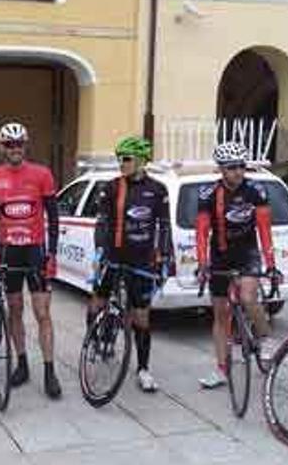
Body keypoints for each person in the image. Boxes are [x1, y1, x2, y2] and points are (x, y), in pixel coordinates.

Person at [0, 121, 62, 399]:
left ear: (25, 145)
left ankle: (50, 372)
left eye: (19, 144)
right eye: (9, 144)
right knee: (14, 310)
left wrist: (52, 253)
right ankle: (23, 364)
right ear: (2, 147)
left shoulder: (42, 174)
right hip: (9, 252)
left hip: (35, 252)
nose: (15, 149)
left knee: (42, 314)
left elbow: (54, 216)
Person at [195, 141, 281, 389]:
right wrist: (202, 264)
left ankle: (265, 337)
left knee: (247, 296)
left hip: (247, 252)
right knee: (221, 315)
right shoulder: (208, 195)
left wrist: (271, 263)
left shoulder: (256, 190)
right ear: (221, 169)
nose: (238, 172)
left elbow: (264, 230)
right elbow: (202, 233)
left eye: (241, 166)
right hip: (220, 254)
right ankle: (221, 369)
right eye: (232, 167)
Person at [88, 136, 171, 392]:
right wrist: (99, 252)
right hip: (113, 257)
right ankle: (95, 340)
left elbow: (164, 227)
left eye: (126, 159)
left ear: (141, 160)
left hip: (142, 260)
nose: (121, 164)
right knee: (97, 302)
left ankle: (143, 369)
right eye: (118, 159)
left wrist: (164, 258)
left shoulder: (158, 190)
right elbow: (102, 222)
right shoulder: (111, 187)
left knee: (142, 317)